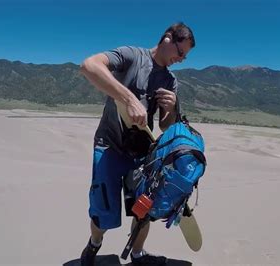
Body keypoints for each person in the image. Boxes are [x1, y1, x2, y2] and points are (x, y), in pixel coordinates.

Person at [79, 22, 195, 266]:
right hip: (109, 145)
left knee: (144, 210)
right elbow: (89, 66)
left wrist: (172, 109)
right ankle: (94, 244)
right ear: (167, 39)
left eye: (185, 56)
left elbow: (165, 126)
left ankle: (138, 254)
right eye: (181, 53)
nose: (181, 59)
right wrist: (129, 98)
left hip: (142, 152)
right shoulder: (132, 56)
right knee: (103, 211)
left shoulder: (170, 81)